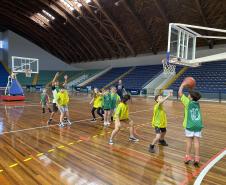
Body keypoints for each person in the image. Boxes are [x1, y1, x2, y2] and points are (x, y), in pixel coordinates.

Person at [178, 82, 203, 166]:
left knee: (189, 142)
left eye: (189, 95)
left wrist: (182, 85)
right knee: (196, 142)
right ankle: (197, 158)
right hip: (198, 125)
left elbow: (180, 93)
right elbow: (193, 95)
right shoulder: (197, 104)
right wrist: (191, 89)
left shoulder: (188, 103)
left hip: (189, 125)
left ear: (191, 98)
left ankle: (187, 157)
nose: (188, 95)